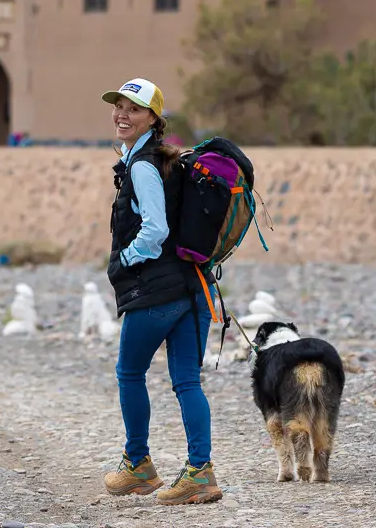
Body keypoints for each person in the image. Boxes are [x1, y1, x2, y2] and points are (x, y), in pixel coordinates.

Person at [100, 77, 222, 506]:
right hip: (193, 289)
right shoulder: (167, 161)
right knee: (188, 381)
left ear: (153, 118)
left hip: (158, 293)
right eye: (118, 106)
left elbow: (155, 230)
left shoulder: (144, 166)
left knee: (129, 373)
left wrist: (124, 260)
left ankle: (138, 465)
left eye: (133, 109)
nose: (121, 114)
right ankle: (199, 473)